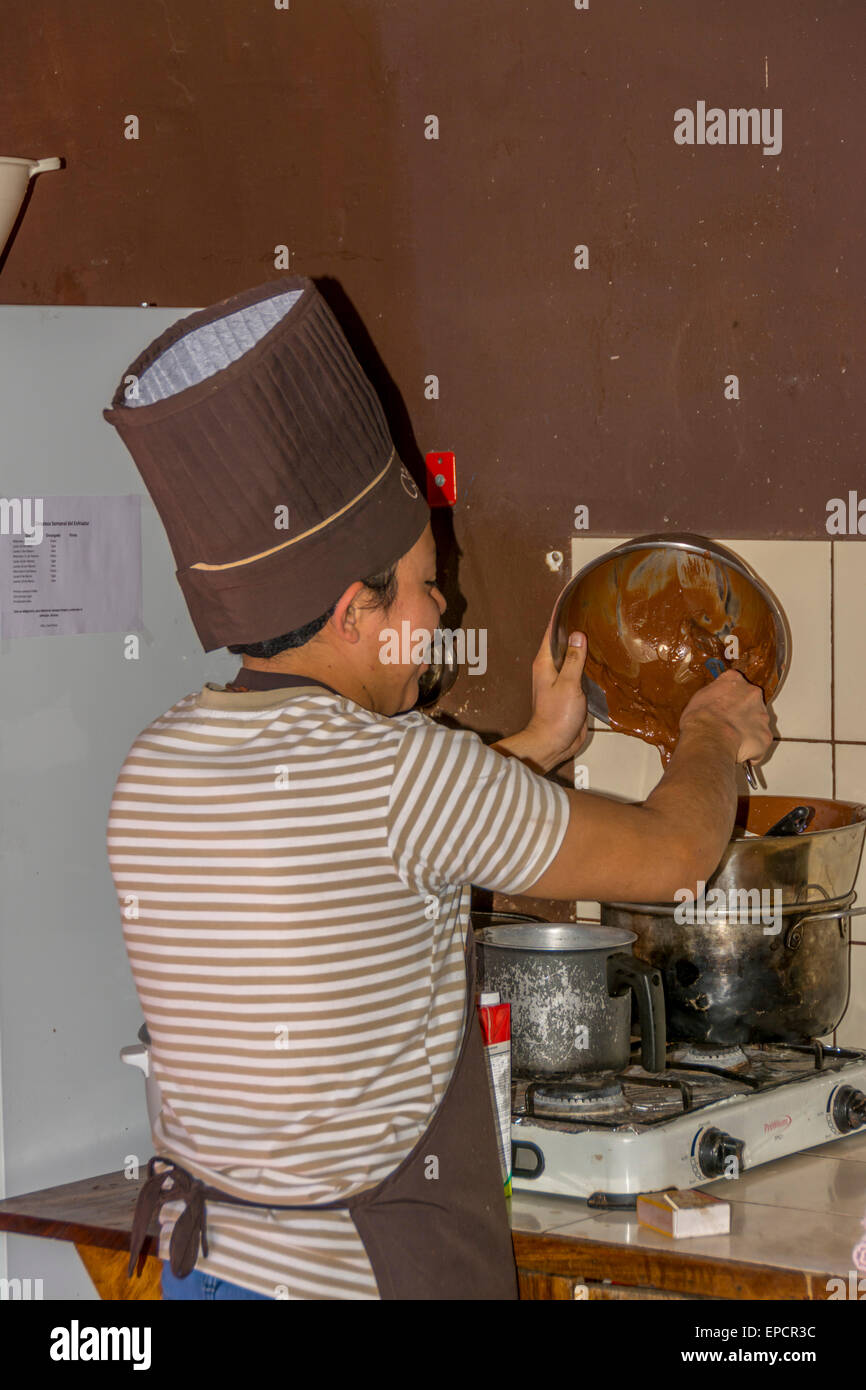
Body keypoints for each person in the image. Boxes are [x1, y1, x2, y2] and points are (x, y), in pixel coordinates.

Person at [104, 275, 772, 1301]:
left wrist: (539, 744)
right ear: (352, 611)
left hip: (214, 1274)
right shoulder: (398, 771)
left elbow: (367, 838)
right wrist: (711, 735)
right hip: (365, 1279)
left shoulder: (161, 760)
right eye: (423, 583)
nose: (443, 600)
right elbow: (672, 853)